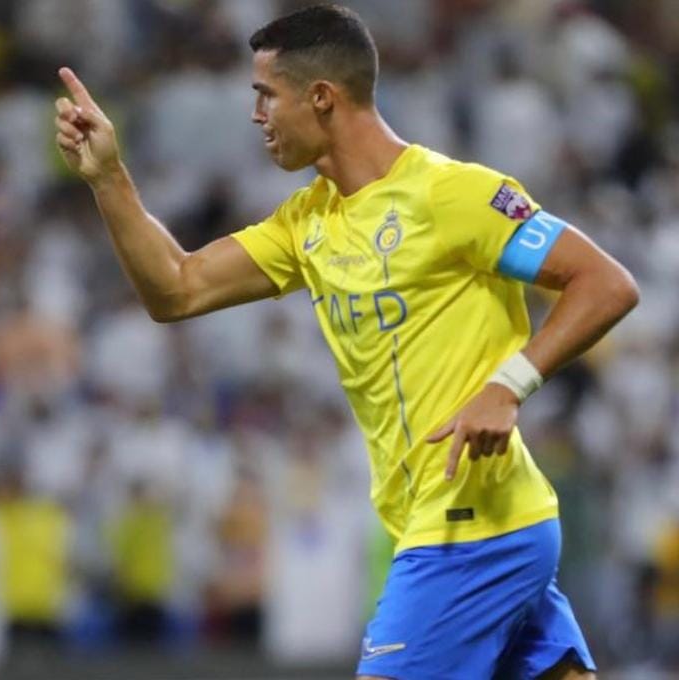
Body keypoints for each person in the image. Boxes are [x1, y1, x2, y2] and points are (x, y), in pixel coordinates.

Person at [54, 5, 639, 679]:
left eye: (266, 95)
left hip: (468, 529)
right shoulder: (308, 223)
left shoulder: (452, 195)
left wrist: (508, 385)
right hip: (473, 523)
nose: (255, 115)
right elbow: (177, 289)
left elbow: (606, 283)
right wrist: (108, 178)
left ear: (322, 98)